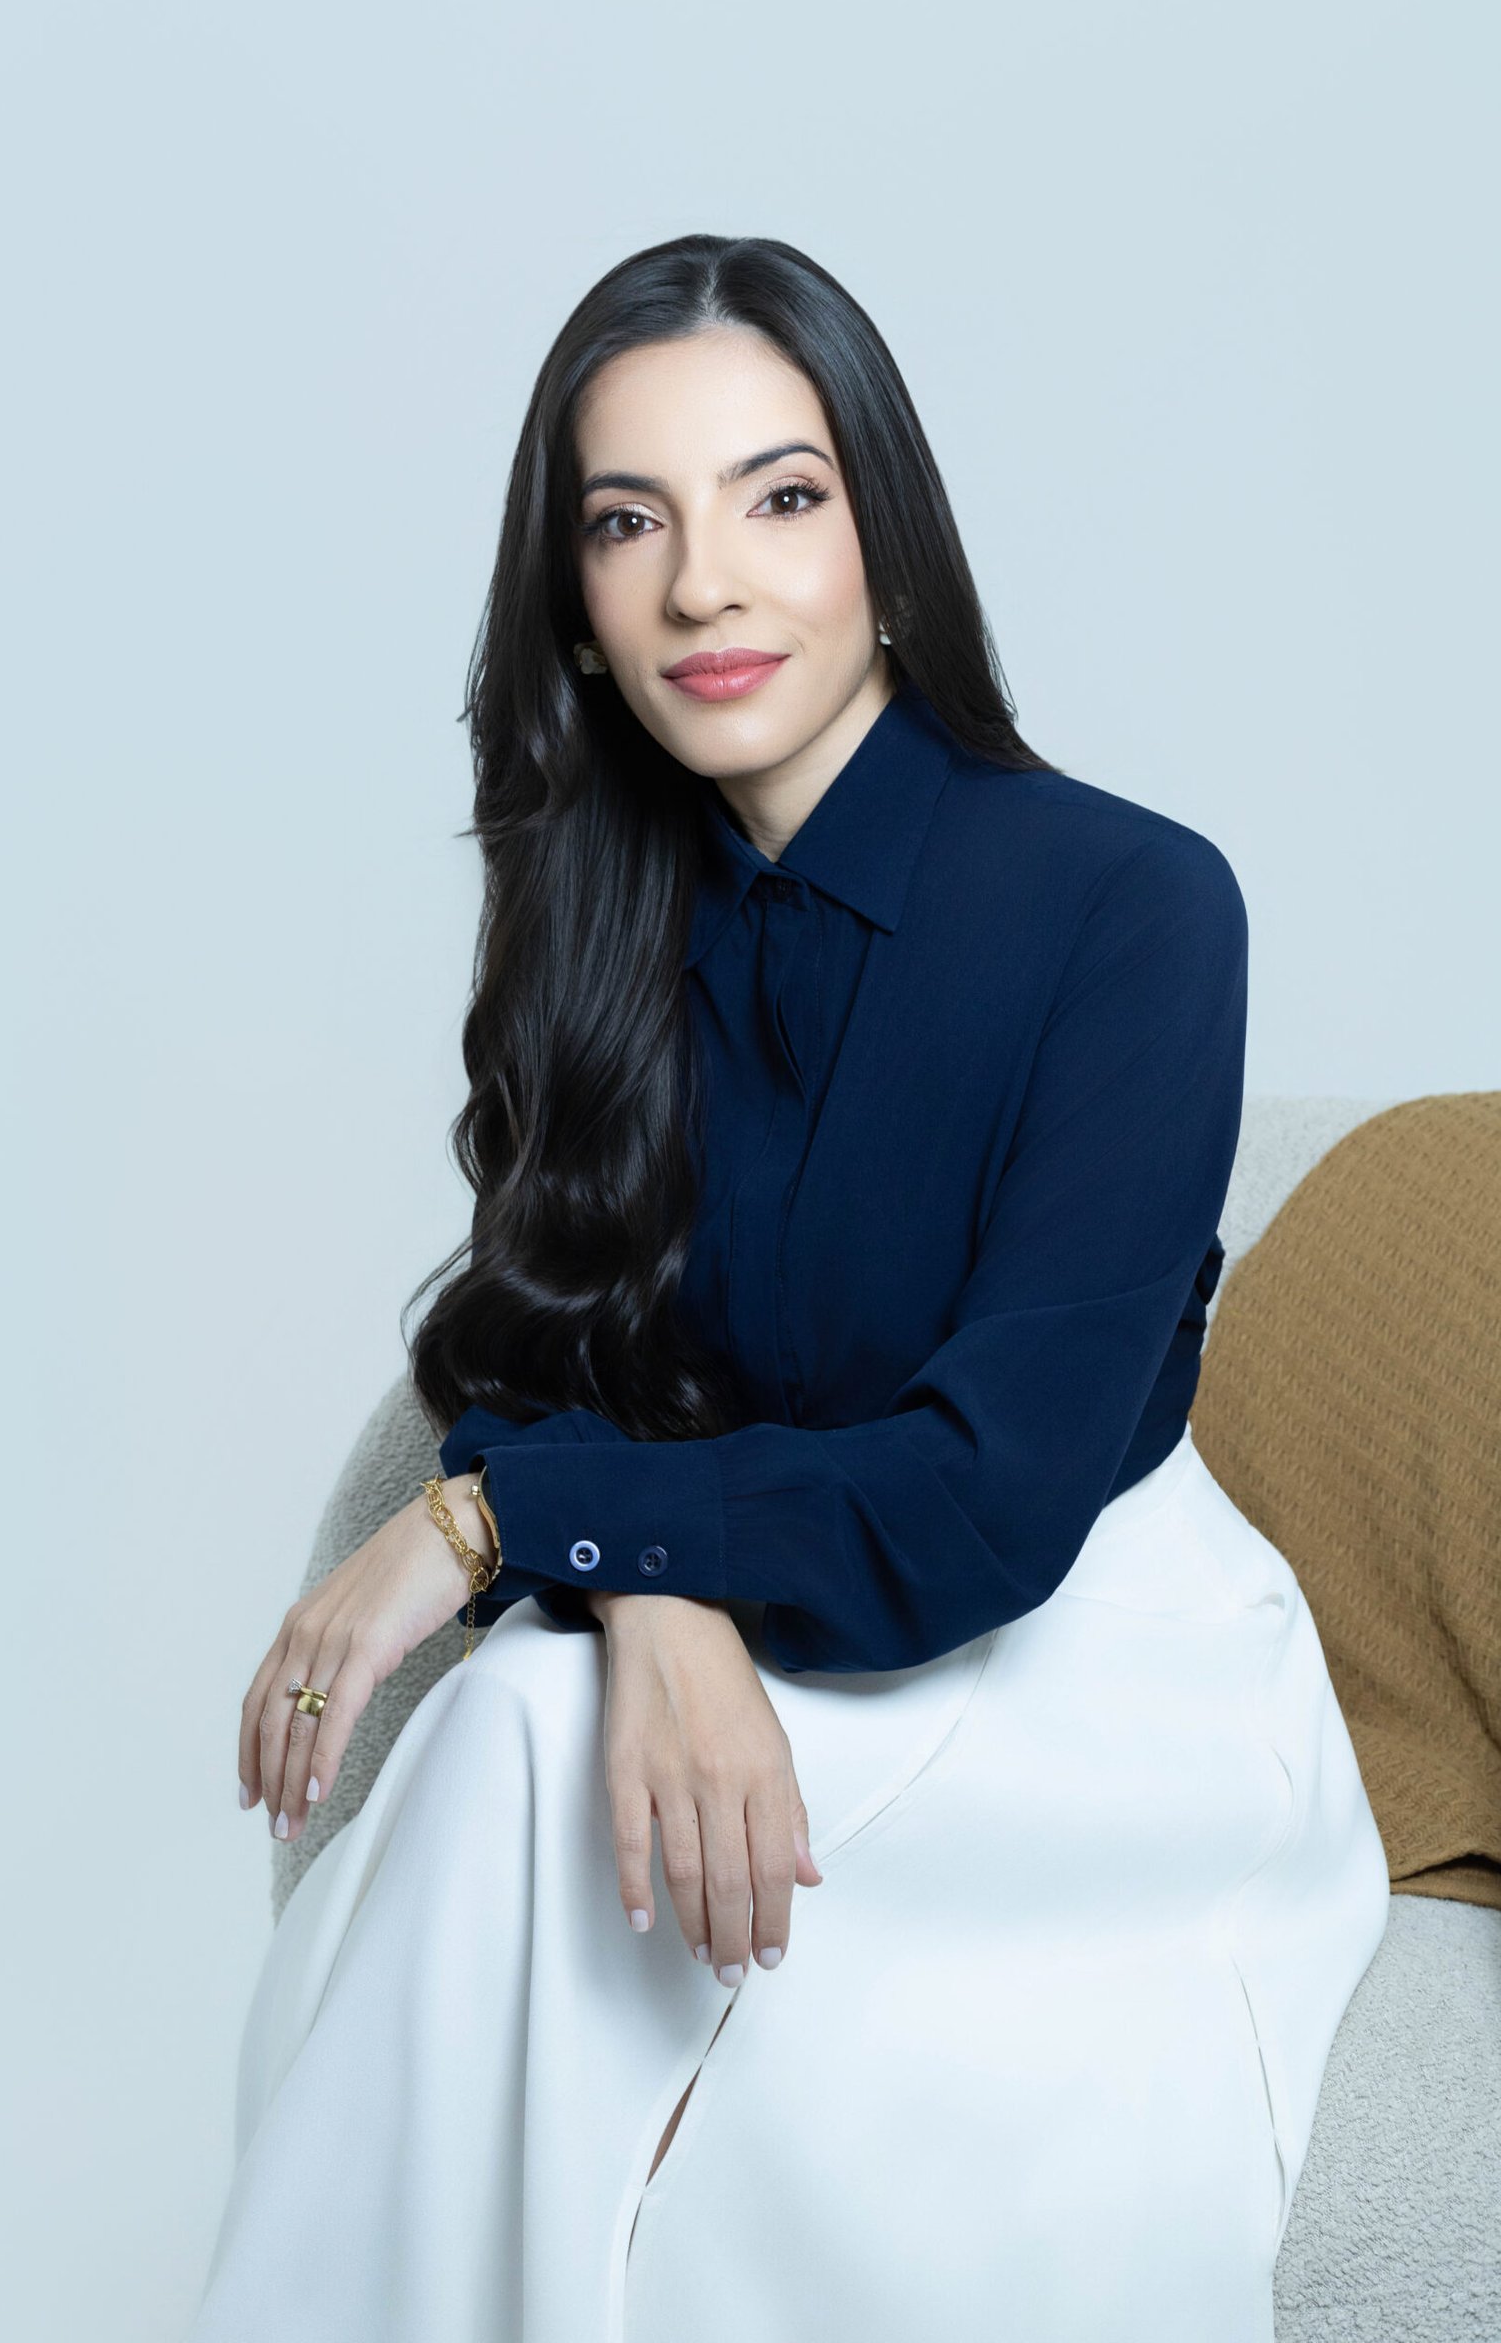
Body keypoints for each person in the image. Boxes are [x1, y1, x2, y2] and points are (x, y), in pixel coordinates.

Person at [189, 233, 1390, 2343]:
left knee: (511, 1751)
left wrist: (507, 1528)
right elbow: (539, 1347)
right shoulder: (600, 918)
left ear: (885, 542)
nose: (703, 587)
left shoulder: (1133, 904)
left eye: (779, 496)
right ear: (572, 605)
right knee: (513, 1743)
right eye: (626, 523)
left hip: (1080, 1666)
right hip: (759, 1603)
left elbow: (987, 1497)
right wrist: (650, 1595)